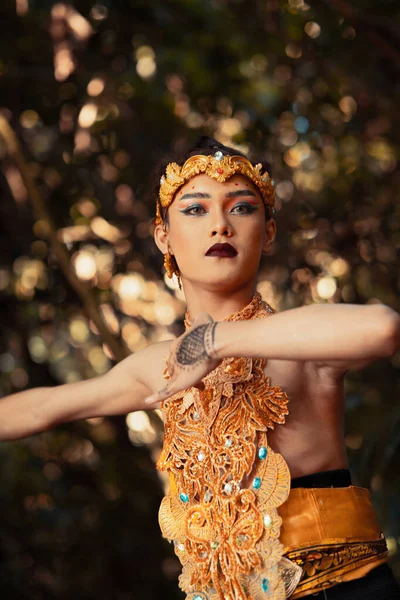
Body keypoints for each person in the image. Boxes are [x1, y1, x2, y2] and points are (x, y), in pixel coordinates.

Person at [1, 136, 399, 600]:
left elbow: (384, 328)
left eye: (242, 208)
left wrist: (217, 340)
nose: (220, 226)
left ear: (268, 232)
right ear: (163, 236)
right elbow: (44, 407)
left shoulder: (299, 339)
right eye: (194, 209)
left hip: (339, 589)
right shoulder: (158, 365)